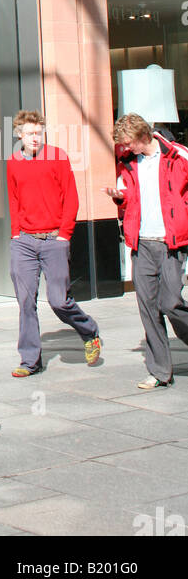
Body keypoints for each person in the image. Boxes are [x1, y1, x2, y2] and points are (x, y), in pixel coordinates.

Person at [7, 109, 102, 377]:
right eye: (29, 133)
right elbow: (13, 199)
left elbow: (71, 197)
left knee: (59, 301)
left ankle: (89, 330)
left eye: (38, 133)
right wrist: (15, 233)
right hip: (24, 241)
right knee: (25, 301)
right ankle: (29, 361)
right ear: (19, 135)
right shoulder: (13, 162)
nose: (34, 138)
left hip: (54, 239)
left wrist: (64, 235)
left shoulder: (57, 157)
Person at [107, 113, 188, 389]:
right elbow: (127, 195)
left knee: (171, 303)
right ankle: (160, 372)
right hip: (141, 244)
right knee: (148, 309)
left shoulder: (178, 156)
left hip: (171, 243)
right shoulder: (128, 164)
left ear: (143, 136)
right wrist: (120, 198)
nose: (127, 148)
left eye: (129, 143)